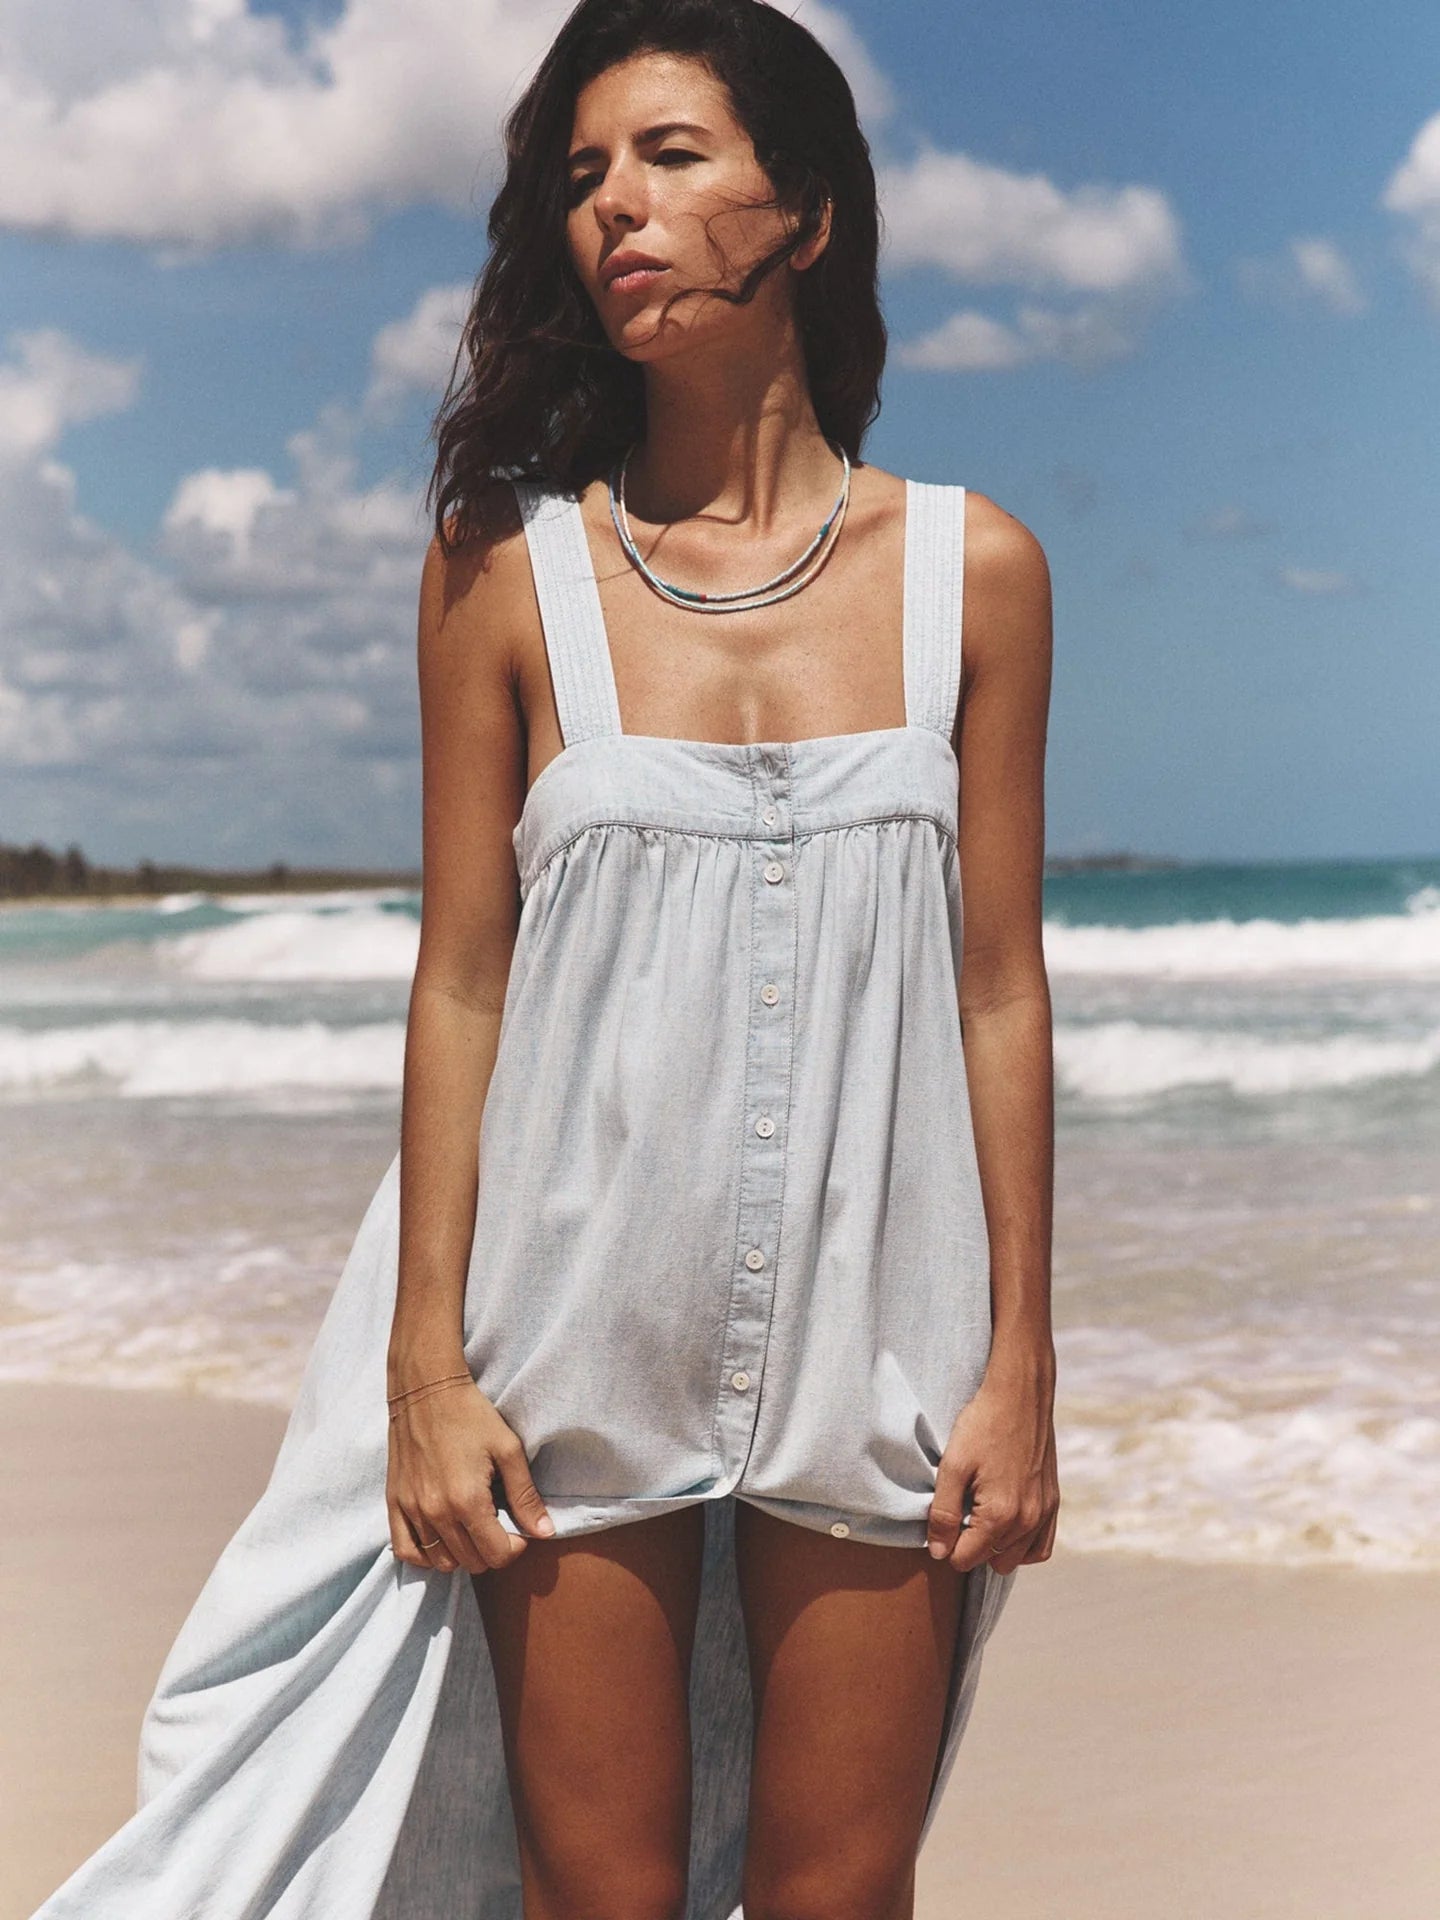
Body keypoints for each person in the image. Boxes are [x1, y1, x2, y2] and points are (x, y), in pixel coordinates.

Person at [28, 3, 1058, 1917]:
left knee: (847, 1899)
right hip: (576, 1311)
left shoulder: (973, 575)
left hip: (883, 1314)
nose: (617, 211)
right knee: (599, 1899)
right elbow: (463, 982)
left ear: (808, 211)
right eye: (582, 177)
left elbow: (999, 983)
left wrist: (1023, 1364)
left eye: (670, 156)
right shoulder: (503, 575)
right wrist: (427, 1365)